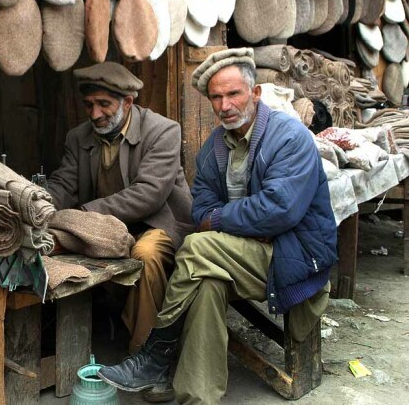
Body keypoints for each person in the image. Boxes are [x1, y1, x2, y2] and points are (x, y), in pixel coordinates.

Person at [97, 48, 338, 404]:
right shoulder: (214, 147)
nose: (224, 105)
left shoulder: (289, 137)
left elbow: (279, 210)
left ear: (255, 93)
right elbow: (202, 209)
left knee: (195, 247)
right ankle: (196, 397)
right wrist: (246, 221)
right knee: (206, 280)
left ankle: (156, 356)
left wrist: (225, 218)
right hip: (239, 254)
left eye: (233, 94)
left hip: (294, 254)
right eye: (216, 97)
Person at [47, 61, 194, 354]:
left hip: (158, 224)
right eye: (89, 105)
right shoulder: (79, 137)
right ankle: (68, 342)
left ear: (127, 102)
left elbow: (149, 194)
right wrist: (39, 205)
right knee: (51, 244)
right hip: (108, 228)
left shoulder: (163, 131)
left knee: (146, 254)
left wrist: (84, 215)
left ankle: (146, 355)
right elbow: (63, 185)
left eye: (104, 104)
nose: (95, 113)